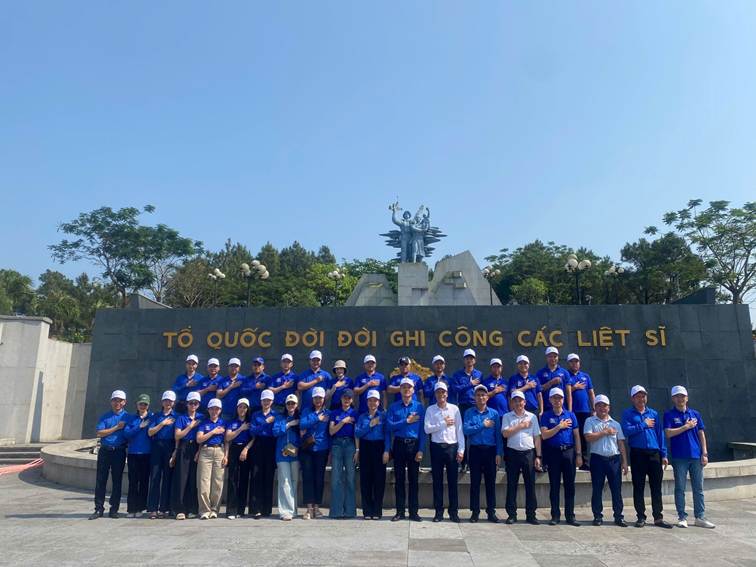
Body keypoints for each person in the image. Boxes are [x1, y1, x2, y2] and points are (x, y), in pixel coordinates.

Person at [664, 386, 715, 528]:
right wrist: (685, 427)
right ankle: (682, 517)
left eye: (682, 396)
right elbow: (668, 433)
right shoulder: (669, 414)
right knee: (680, 488)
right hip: (679, 457)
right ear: (673, 399)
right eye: (677, 396)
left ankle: (700, 517)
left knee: (698, 488)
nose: (680, 399)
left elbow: (701, 434)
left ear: (687, 398)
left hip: (695, 456)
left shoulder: (695, 414)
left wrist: (704, 453)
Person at [621, 385, 672, 528]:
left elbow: (660, 434)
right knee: (639, 486)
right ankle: (641, 516)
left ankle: (658, 517)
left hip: (654, 454)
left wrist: (664, 454)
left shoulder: (653, 413)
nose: (641, 399)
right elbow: (626, 431)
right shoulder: (628, 413)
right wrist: (643, 425)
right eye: (638, 396)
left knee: (656, 487)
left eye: (643, 396)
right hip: (638, 453)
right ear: (632, 398)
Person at [584, 394, 628, 526]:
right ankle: (597, 516)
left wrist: (625, 461)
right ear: (595, 407)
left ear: (609, 407)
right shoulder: (590, 421)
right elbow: (588, 437)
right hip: (597, 459)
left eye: (605, 405)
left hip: (614, 460)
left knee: (616, 489)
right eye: (599, 405)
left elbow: (620, 443)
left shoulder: (616, 424)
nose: (602, 408)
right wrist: (604, 432)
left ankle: (619, 516)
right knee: (597, 488)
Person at [540, 387, 582, 526]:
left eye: (560, 398)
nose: (557, 400)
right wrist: (559, 426)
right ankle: (555, 515)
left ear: (563, 399)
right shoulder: (546, 416)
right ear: (550, 400)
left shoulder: (570, 415)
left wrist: (578, 454)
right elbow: (544, 435)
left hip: (569, 452)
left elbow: (576, 436)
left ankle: (570, 516)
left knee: (570, 485)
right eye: (555, 398)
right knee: (554, 485)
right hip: (554, 453)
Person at [424, 382, 464, 522]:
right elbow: (427, 429)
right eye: (438, 392)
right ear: (435, 394)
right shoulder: (430, 410)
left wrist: (461, 449)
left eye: (443, 392)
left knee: (453, 482)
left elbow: (459, 430)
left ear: (447, 393)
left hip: (452, 447)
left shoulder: (454, 409)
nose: (441, 394)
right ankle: (438, 512)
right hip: (436, 447)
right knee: (437, 481)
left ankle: (453, 512)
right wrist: (443, 423)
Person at [387, 377, 425, 522]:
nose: (406, 390)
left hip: (413, 446)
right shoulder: (393, 407)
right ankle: (400, 512)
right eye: (404, 387)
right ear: (400, 390)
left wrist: (421, 449)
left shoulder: (419, 407)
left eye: (409, 387)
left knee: (414, 480)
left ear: (413, 390)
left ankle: (414, 512)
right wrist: (406, 421)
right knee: (399, 480)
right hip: (399, 445)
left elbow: (422, 431)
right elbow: (389, 426)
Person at [464, 384, 503, 523]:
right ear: (474, 397)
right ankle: (475, 512)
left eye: (483, 395)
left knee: (490, 483)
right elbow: (466, 430)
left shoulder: (494, 414)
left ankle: (491, 512)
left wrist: (498, 453)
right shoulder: (469, 412)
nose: (481, 397)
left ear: (487, 397)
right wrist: (482, 425)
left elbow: (498, 435)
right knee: (475, 482)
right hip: (475, 450)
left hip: (490, 451)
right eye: (478, 395)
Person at [502, 390, 542, 525]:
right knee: (511, 484)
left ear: (524, 402)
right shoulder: (507, 416)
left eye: (520, 400)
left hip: (528, 453)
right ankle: (511, 514)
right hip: (512, 453)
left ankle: (531, 515)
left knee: (530, 485)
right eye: (515, 401)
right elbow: (505, 433)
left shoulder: (532, 417)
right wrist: (521, 426)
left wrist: (538, 456)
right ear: (512, 403)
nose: (518, 403)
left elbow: (537, 437)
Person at [90, 389, 129, 520]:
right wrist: (116, 428)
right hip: (105, 450)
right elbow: (99, 433)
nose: (117, 403)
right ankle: (98, 508)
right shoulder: (105, 416)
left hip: (119, 451)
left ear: (124, 402)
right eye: (115, 400)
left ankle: (114, 509)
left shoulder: (127, 417)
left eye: (120, 400)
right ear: (111, 402)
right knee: (101, 480)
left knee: (117, 480)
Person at [355, 389, 391, 520]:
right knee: (366, 480)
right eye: (370, 401)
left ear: (379, 402)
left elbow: (387, 434)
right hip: (366, 447)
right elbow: (357, 433)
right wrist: (370, 425)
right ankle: (367, 511)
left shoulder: (383, 416)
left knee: (379, 480)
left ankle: (377, 510)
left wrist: (386, 450)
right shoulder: (362, 417)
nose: (372, 403)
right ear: (367, 402)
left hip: (379, 447)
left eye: (375, 401)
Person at [300, 386, 331, 519]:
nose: (318, 400)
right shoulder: (306, 411)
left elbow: (329, 433)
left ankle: (317, 507)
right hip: (307, 449)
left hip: (322, 449)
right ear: (312, 399)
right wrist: (317, 419)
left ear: (324, 399)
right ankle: (309, 508)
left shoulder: (328, 413)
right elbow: (302, 424)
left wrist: (329, 451)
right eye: (316, 398)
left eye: (320, 398)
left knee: (319, 478)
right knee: (307, 478)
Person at [171, 391, 203, 520]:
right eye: (191, 403)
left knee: (193, 479)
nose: (193, 405)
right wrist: (190, 426)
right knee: (182, 478)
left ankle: (192, 508)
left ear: (198, 404)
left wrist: (199, 451)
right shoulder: (181, 418)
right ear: (187, 404)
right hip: (184, 447)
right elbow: (177, 436)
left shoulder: (201, 417)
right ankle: (180, 509)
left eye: (195, 403)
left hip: (196, 447)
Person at [146, 390, 177, 519]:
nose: (167, 403)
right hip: (157, 445)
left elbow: (177, 436)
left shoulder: (176, 416)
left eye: (170, 401)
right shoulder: (156, 416)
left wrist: (175, 451)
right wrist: (162, 424)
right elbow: (150, 432)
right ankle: (153, 508)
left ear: (173, 402)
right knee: (155, 476)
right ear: (162, 402)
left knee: (167, 477)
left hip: (170, 446)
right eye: (166, 400)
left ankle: (164, 508)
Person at [329, 388, 358, 519]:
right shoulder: (334, 413)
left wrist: (357, 450)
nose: (346, 400)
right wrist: (343, 421)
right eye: (344, 397)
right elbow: (331, 431)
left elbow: (356, 433)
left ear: (352, 400)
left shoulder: (355, 413)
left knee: (350, 477)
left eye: (349, 398)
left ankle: (350, 511)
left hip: (350, 444)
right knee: (336, 478)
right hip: (337, 444)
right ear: (341, 399)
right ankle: (336, 511)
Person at [195, 398, 226, 520]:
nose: (214, 411)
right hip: (206, 451)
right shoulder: (204, 423)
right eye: (212, 409)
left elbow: (227, 441)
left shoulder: (224, 423)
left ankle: (214, 509)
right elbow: (199, 439)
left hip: (220, 451)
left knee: (218, 482)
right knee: (203, 481)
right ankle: (204, 510)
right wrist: (213, 432)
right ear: (208, 410)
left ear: (220, 410)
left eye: (217, 409)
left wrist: (226, 455)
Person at [249, 389, 279, 518]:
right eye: (264, 400)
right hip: (258, 444)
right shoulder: (255, 415)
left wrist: (263, 425)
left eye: (268, 400)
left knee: (269, 476)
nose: (266, 402)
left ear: (272, 401)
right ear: (261, 401)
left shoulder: (276, 414)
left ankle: (267, 509)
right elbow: (252, 431)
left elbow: (276, 431)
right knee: (257, 476)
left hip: (271, 444)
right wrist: (266, 422)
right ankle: (256, 508)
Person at [123, 393, 152, 518]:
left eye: (145, 404)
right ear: (137, 404)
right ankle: (131, 508)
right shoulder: (131, 418)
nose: (143, 406)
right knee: (133, 482)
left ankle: (140, 507)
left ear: (148, 405)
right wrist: (139, 427)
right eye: (141, 404)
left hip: (146, 453)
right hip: (133, 453)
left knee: (144, 482)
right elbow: (126, 434)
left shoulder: (151, 417)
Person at [273, 393, 301, 521]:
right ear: (285, 405)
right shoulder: (280, 417)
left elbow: (303, 435)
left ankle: (293, 510)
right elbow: (275, 431)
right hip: (282, 454)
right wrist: (289, 425)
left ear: (296, 405)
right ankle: (285, 511)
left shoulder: (300, 417)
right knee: (285, 482)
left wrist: (298, 448)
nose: (291, 405)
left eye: (293, 403)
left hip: (295, 453)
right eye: (288, 403)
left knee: (294, 481)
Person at [565, 353, 595, 468]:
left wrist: (594, 408)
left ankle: (584, 462)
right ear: (568, 363)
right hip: (572, 411)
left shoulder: (585, 376)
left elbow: (591, 393)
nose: (574, 364)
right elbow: (564, 393)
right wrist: (575, 388)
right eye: (572, 362)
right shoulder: (566, 375)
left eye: (576, 361)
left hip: (585, 411)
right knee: (571, 436)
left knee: (583, 436)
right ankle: (572, 461)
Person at [225, 397, 252, 519]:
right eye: (240, 407)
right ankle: (231, 510)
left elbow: (253, 438)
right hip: (234, 449)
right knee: (232, 479)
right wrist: (241, 429)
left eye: (244, 407)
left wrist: (246, 449)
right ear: (237, 408)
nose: (242, 409)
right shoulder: (232, 422)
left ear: (247, 409)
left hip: (246, 449)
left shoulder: (250, 422)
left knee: (244, 479)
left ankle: (240, 509)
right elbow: (228, 437)